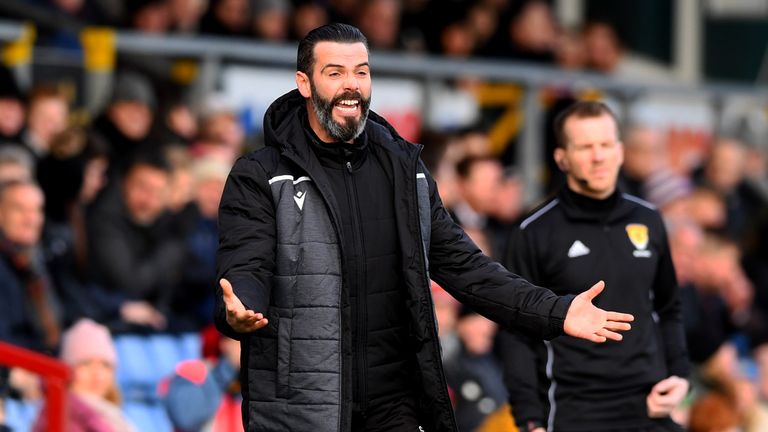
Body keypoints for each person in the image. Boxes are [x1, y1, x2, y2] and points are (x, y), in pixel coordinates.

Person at [215, 24, 634, 432]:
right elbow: (246, 264)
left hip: (394, 403)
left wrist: (555, 311)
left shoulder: (405, 171)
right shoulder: (261, 175)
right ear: (304, 83)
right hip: (302, 407)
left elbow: (467, 268)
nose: (351, 85)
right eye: (335, 72)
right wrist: (240, 310)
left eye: (361, 71)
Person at [499, 101, 690, 432]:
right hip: (575, 410)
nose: (598, 156)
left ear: (620, 151)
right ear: (562, 158)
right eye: (585, 147)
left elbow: (669, 308)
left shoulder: (649, 219)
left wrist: (679, 376)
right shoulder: (534, 231)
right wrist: (530, 420)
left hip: (648, 404)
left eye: (605, 144)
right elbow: (517, 335)